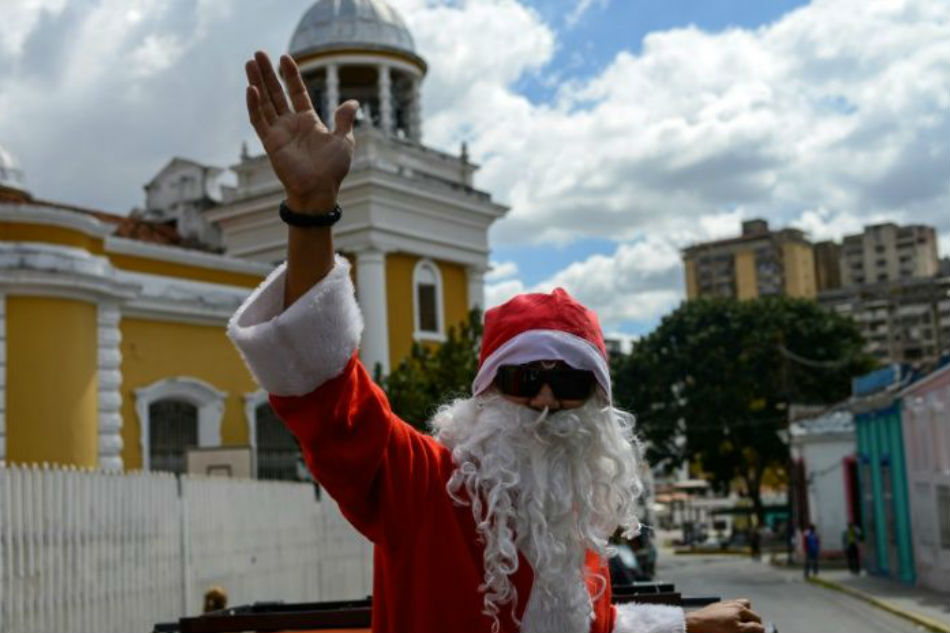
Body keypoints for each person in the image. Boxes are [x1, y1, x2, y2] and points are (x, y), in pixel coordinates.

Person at [228, 49, 766, 633]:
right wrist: (310, 212)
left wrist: (684, 624)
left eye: (568, 383)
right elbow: (328, 398)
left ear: (597, 403)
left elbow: (588, 625)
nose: (543, 401)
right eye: (522, 379)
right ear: (486, 394)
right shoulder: (426, 487)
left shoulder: (573, 518)